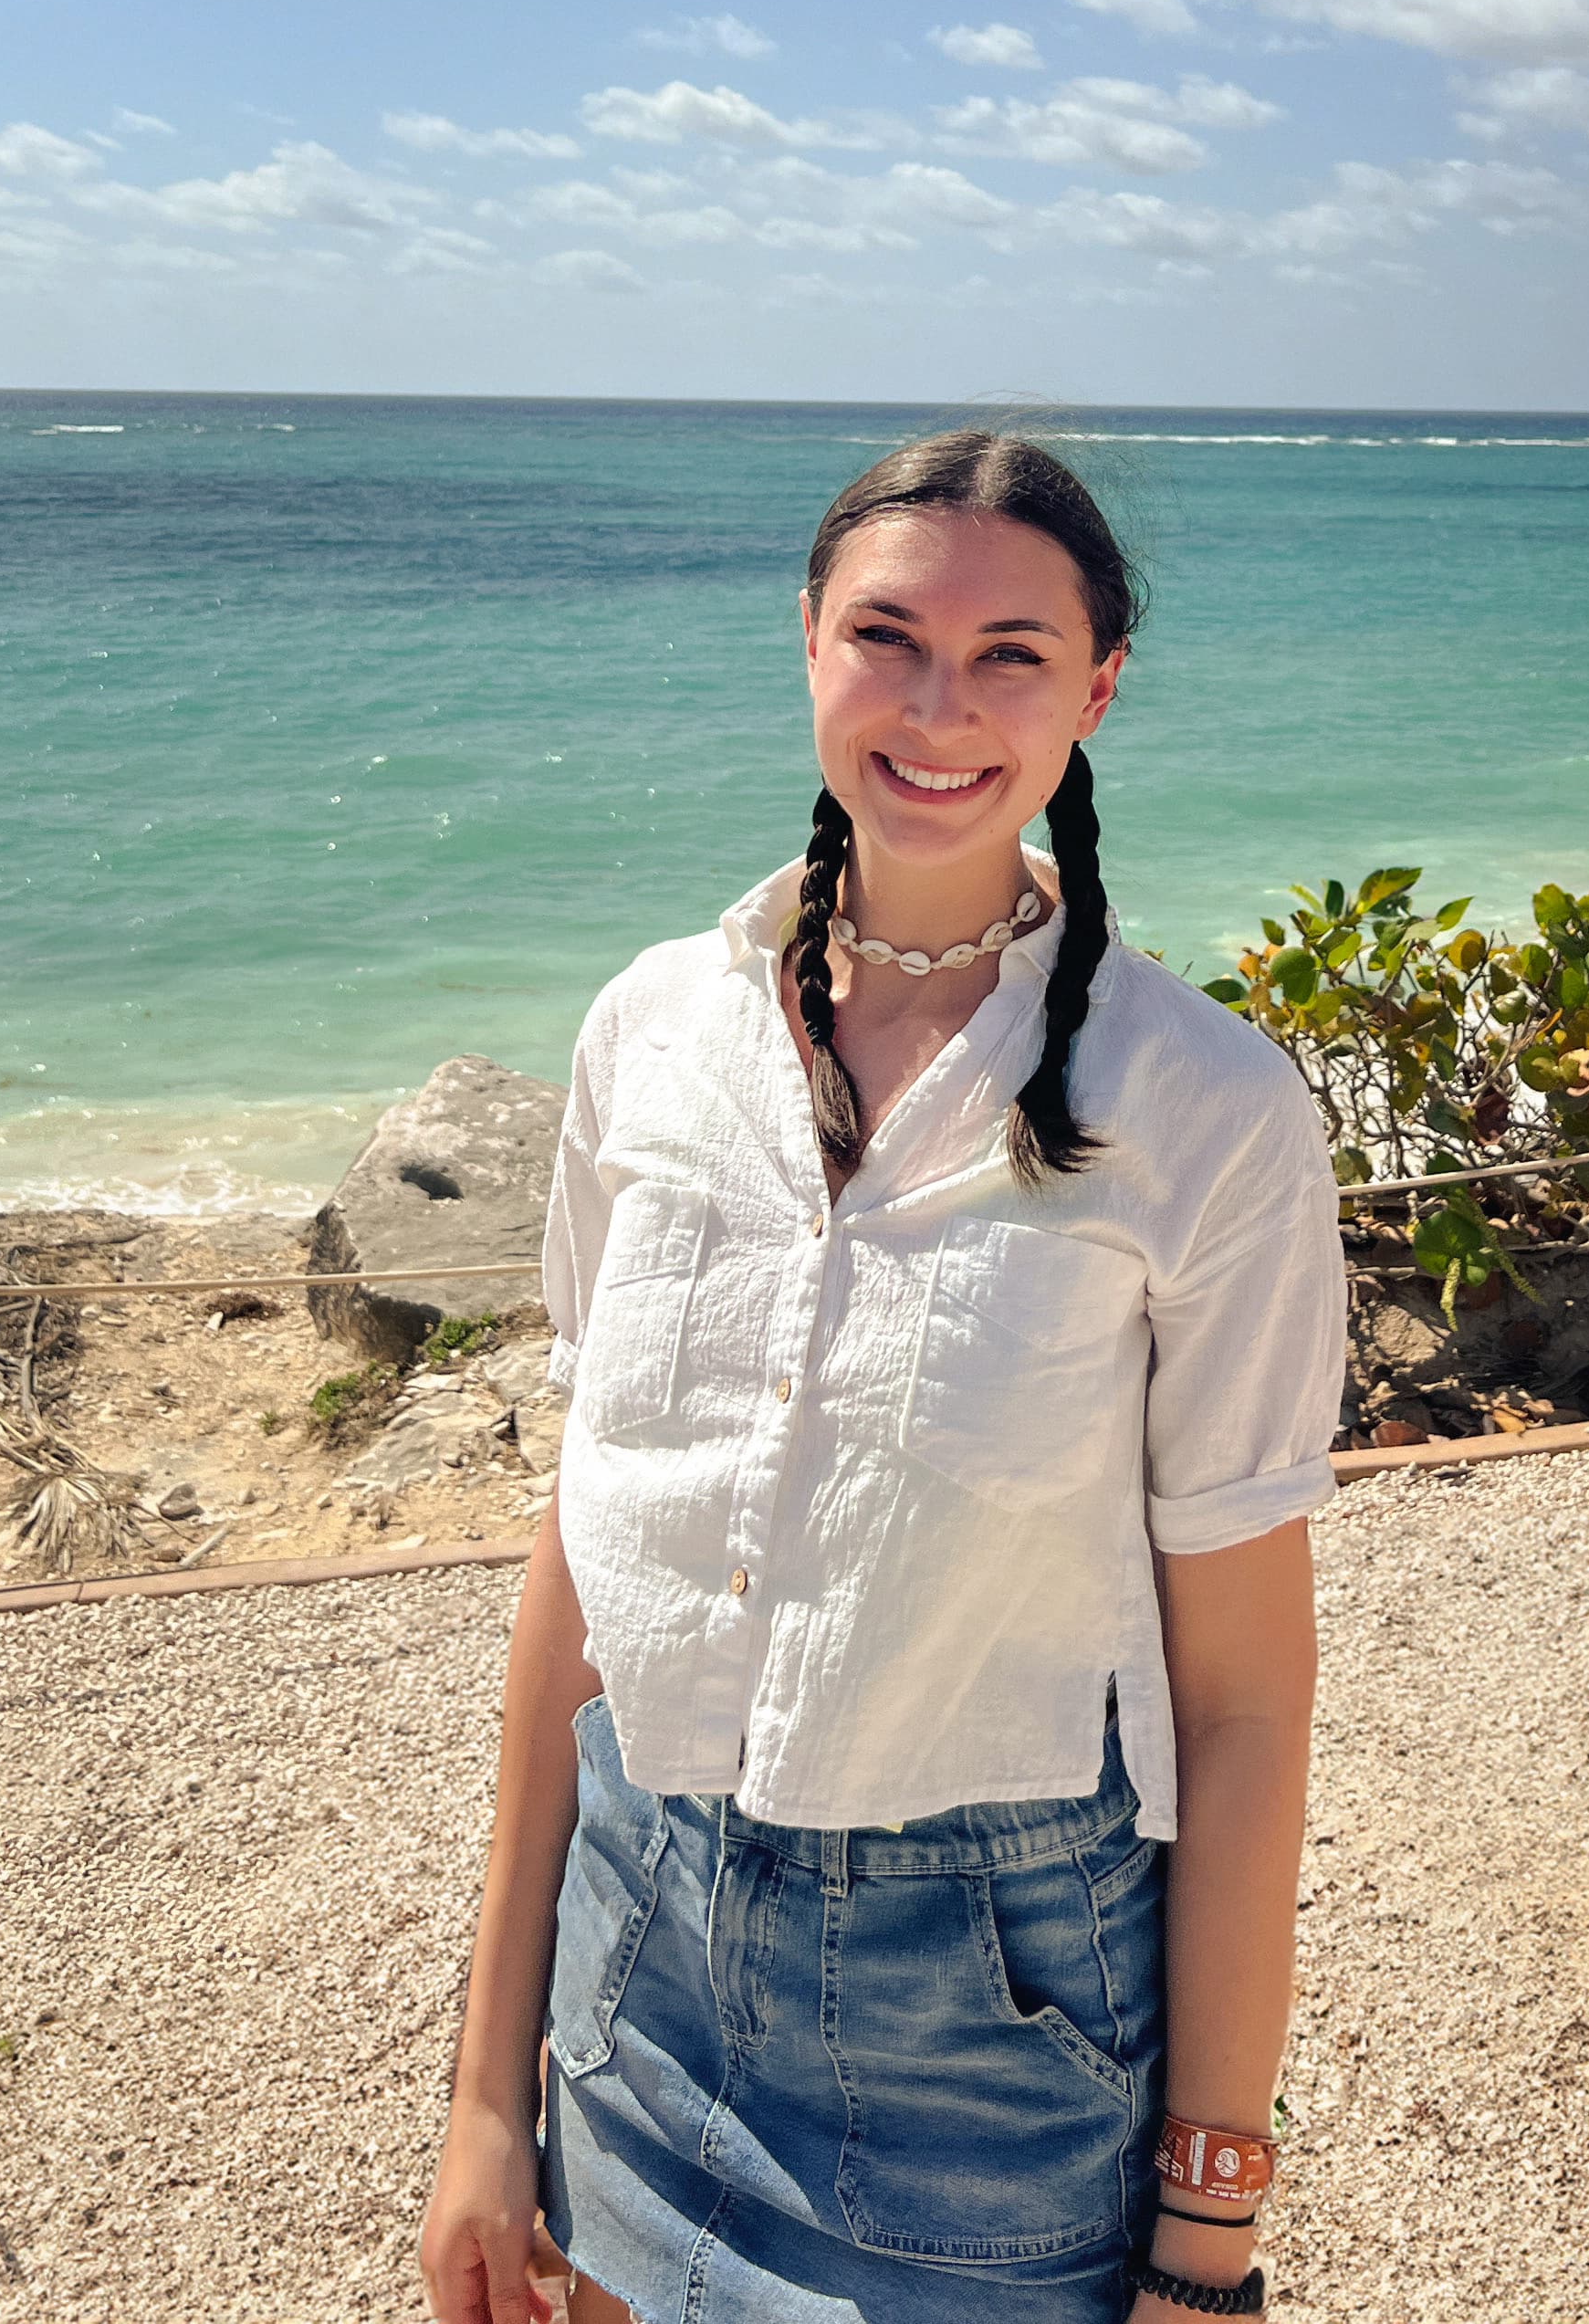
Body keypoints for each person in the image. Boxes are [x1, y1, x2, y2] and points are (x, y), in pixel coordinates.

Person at [421, 429, 1347, 2324]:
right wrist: (483, 2098)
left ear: (1100, 693)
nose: (941, 705)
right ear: (808, 645)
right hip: (632, 1957)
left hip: (989, 2043)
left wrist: (1210, 2240)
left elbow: (1245, 1707)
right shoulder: (650, 1036)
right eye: (888, 635)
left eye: (1014, 652)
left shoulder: (1208, 1112)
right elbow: (584, 1565)